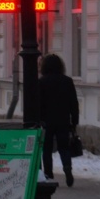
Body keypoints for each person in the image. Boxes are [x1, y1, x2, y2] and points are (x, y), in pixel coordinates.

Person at [39, 53, 80, 186]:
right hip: (63, 120)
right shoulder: (67, 81)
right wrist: (74, 121)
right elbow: (73, 103)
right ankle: (67, 169)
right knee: (64, 147)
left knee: (47, 148)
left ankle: (48, 173)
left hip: (47, 122)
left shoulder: (42, 82)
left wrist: (39, 119)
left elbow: (38, 103)